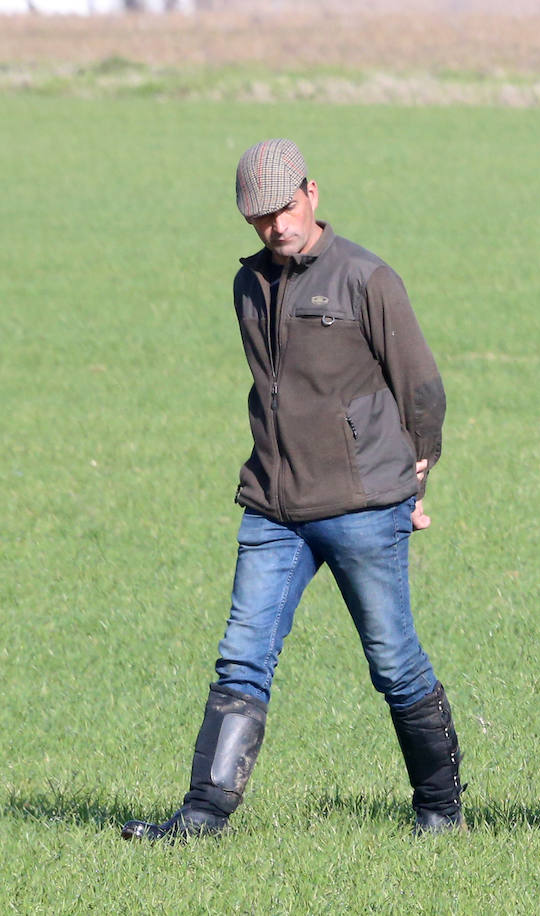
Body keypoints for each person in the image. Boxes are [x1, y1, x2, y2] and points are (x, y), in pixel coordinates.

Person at [122, 139, 463, 840]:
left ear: (312, 193)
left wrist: (416, 470)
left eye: (283, 208)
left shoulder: (368, 278)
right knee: (241, 655)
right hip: (274, 507)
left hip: (364, 507)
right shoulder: (248, 285)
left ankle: (440, 813)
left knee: (394, 662)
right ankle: (202, 816)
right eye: (259, 217)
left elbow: (422, 389)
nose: (275, 225)